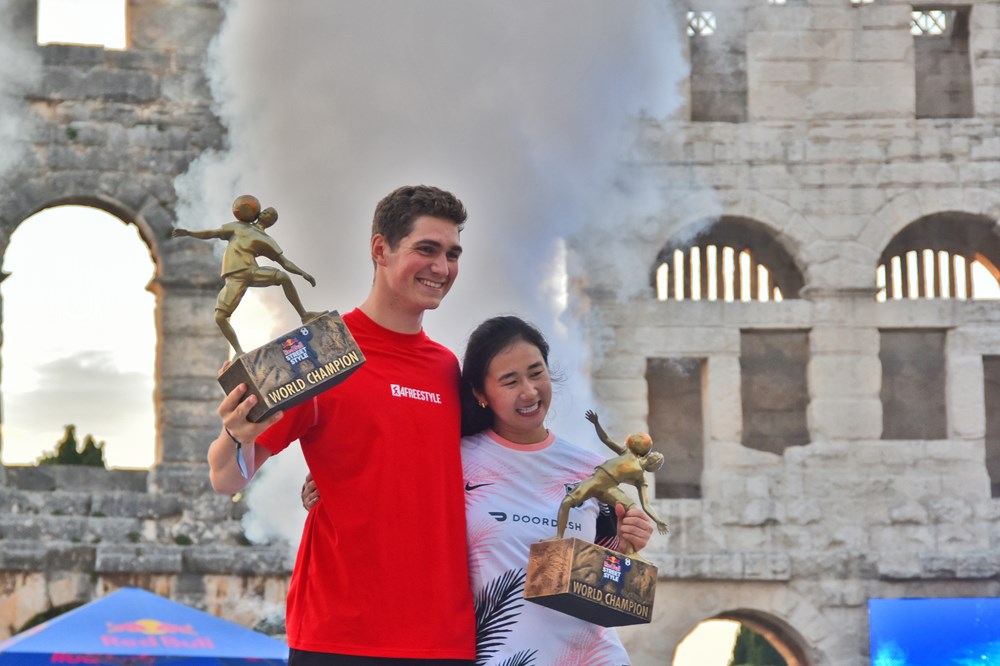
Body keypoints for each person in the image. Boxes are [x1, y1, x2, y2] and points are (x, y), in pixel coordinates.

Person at [207, 185, 476, 665]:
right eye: (427, 249)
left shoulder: (447, 368)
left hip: (442, 638)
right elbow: (226, 477)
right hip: (338, 636)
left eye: (452, 254)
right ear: (380, 250)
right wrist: (235, 434)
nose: (442, 267)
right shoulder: (320, 351)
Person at [303, 316, 657, 664]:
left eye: (536, 373)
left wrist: (631, 540)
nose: (529, 391)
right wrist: (333, 480)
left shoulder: (589, 468)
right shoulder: (450, 460)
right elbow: (383, 487)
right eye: (510, 381)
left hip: (594, 657)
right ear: (480, 393)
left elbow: (606, 575)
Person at [172, 195, 322, 357]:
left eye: (270, 214)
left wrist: (302, 273)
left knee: (283, 277)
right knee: (220, 317)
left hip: (252, 272)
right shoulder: (238, 227)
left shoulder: (267, 240)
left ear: (271, 222)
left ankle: (304, 315)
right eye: (265, 210)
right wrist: (189, 233)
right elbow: (213, 232)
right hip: (234, 278)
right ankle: (239, 352)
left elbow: (284, 262)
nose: (266, 212)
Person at [551, 410, 670, 556]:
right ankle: (559, 537)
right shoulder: (628, 453)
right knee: (566, 502)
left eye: (658, 460)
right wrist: (596, 423)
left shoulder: (641, 477)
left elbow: (646, 505)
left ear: (653, 466)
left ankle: (630, 551)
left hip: (609, 489)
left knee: (631, 512)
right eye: (657, 455)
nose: (656, 456)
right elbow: (606, 439)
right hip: (595, 481)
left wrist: (658, 520)